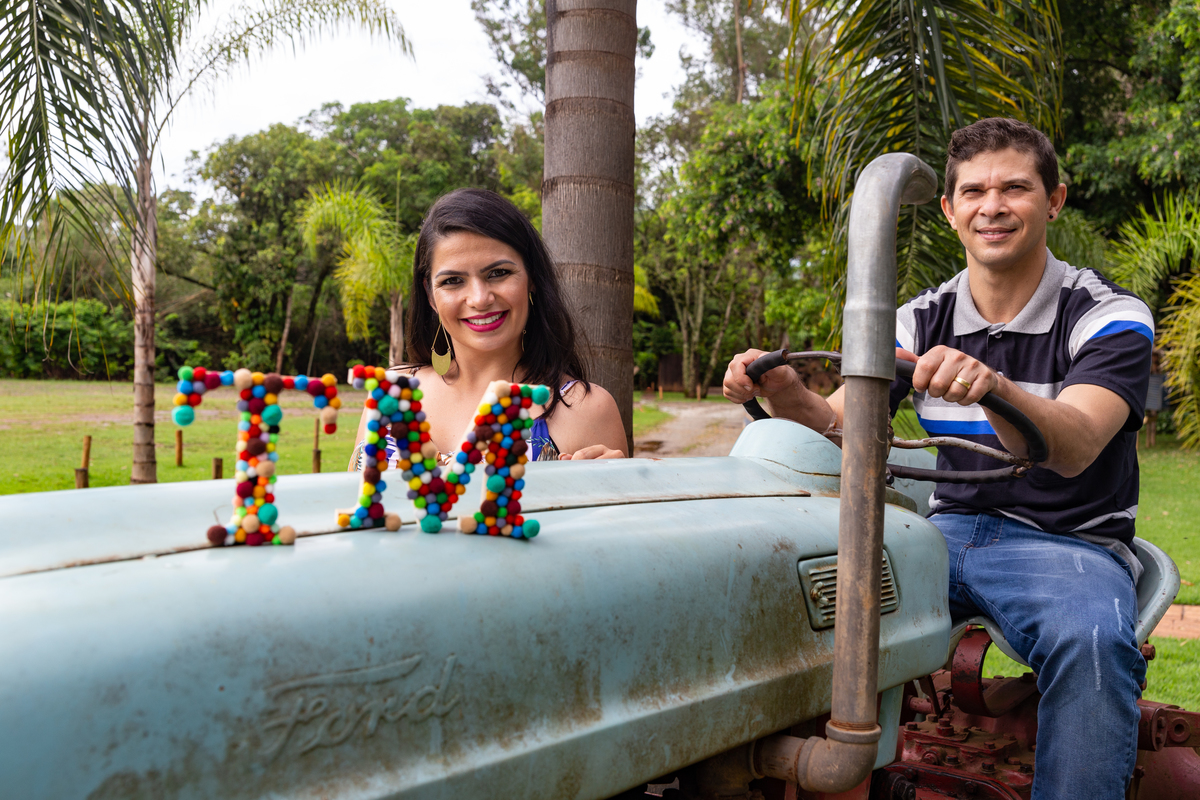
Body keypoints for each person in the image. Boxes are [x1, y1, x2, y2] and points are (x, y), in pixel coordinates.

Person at [723, 118, 1152, 799]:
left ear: (1055, 200)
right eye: (975, 191)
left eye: (1015, 187)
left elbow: (1072, 446)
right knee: (789, 601)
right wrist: (788, 392)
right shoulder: (917, 319)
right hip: (940, 534)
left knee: (1091, 644)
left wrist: (996, 390)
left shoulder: (1107, 315)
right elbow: (841, 423)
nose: (993, 206)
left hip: (1067, 543)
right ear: (950, 211)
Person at [349, 188, 627, 469]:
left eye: (498, 273)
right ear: (430, 295)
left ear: (531, 277)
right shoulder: (389, 393)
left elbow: (610, 513)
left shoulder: (586, 410)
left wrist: (612, 493)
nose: (480, 299)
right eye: (453, 281)